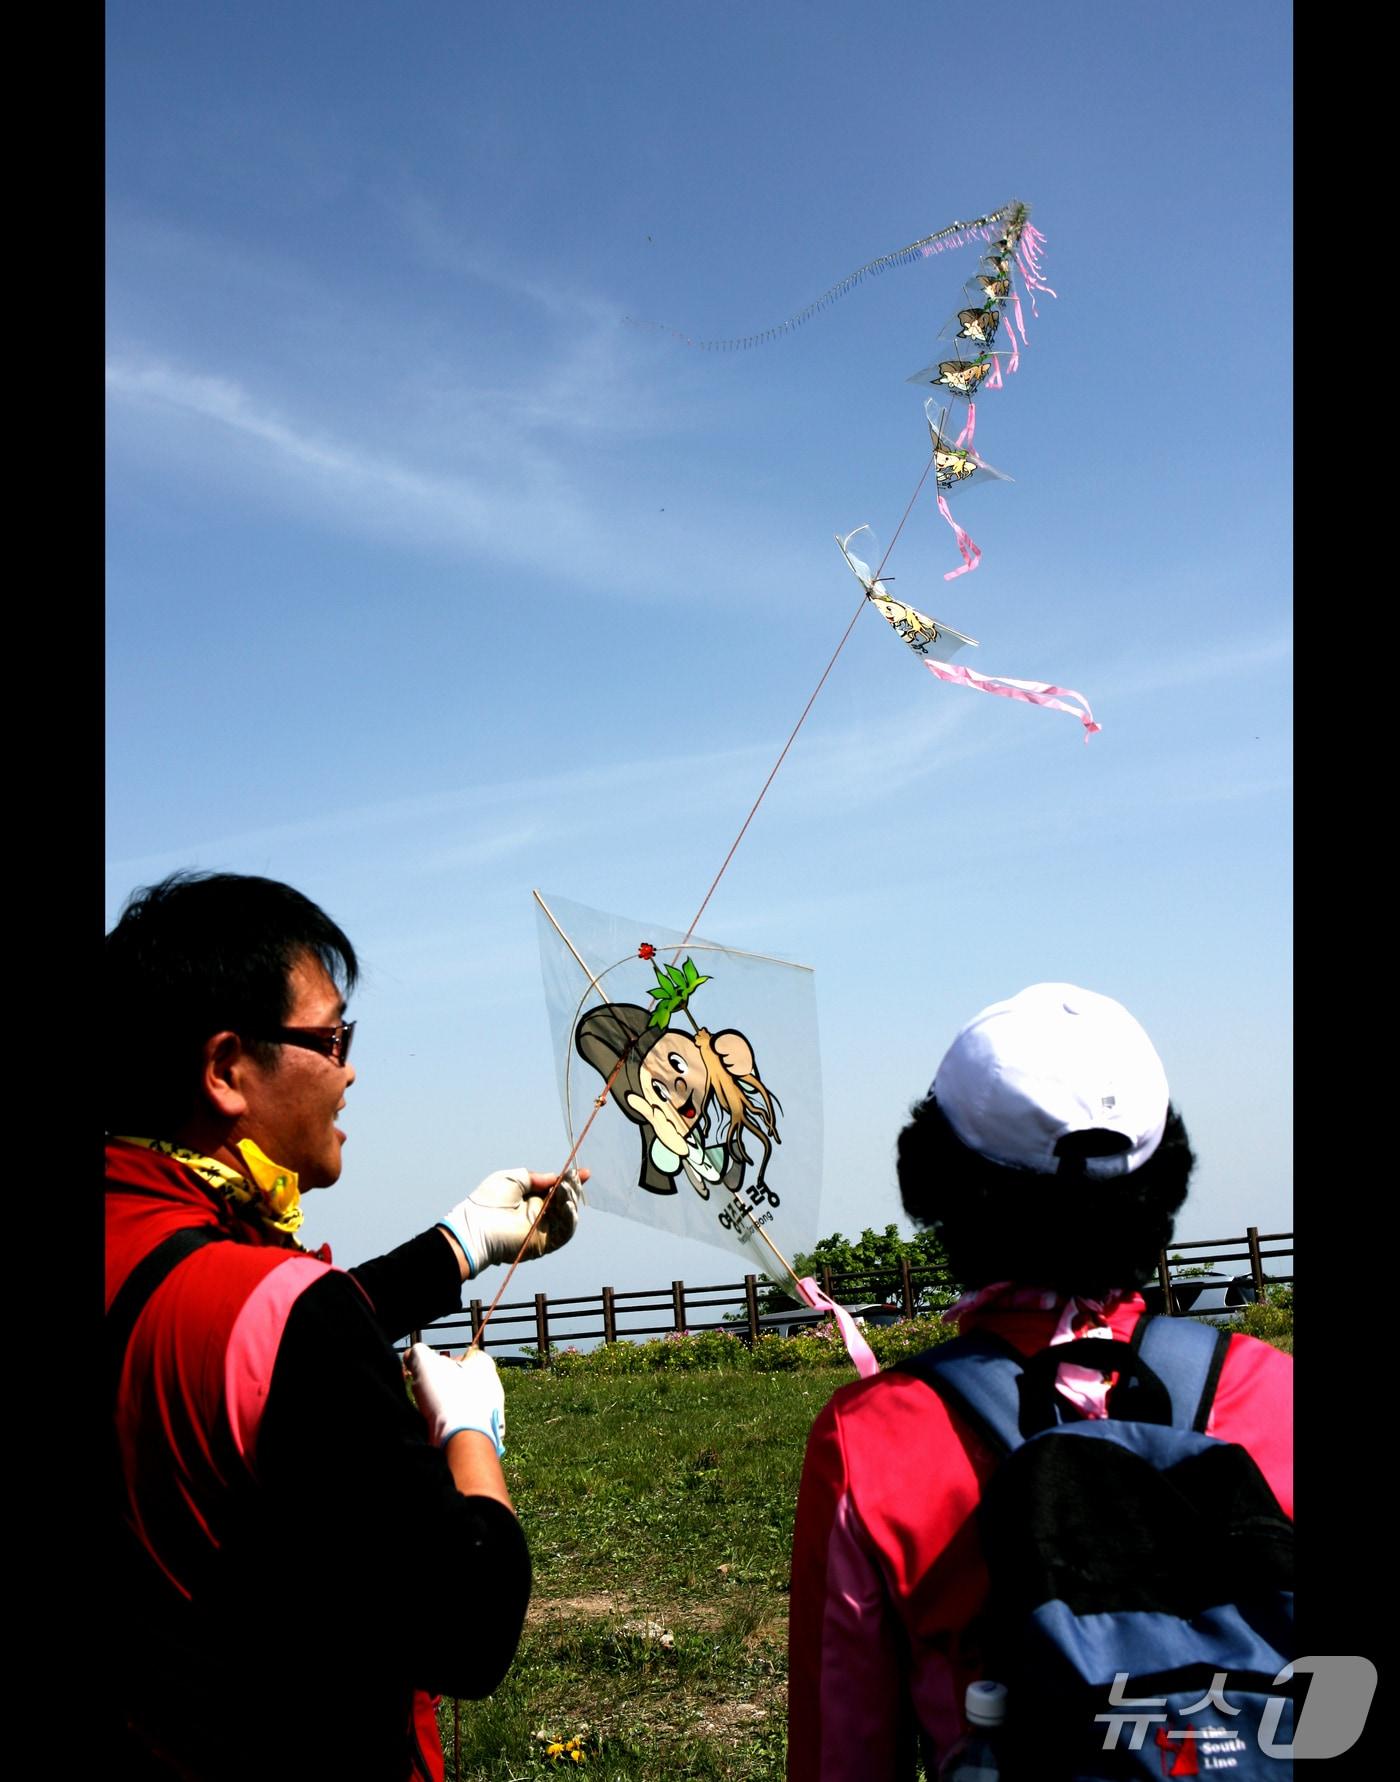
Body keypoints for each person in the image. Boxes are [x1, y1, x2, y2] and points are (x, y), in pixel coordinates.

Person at [105, 871, 584, 1782]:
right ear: (225, 1070)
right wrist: (470, 1439)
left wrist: (464, 1241)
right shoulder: (289, 1319)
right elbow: (468, 1628)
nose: (352, 1069)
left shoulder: (151, 1253)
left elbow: (217, 1323)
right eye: (332, 1038)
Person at [787, 982, 1292, 1780]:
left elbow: (840, 1756)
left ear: (934, 1181)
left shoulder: (868, 1438)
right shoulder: (1276, 1394)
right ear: (1164, 1178)